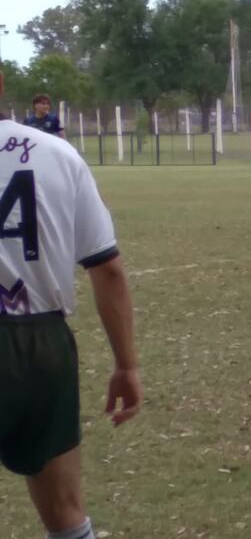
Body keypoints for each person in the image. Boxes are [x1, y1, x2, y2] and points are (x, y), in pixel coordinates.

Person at [0, 106, 142, 538]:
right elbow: (108, 270)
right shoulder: (56, 154)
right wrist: (127, 365)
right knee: (65, 511)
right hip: (42, 346)